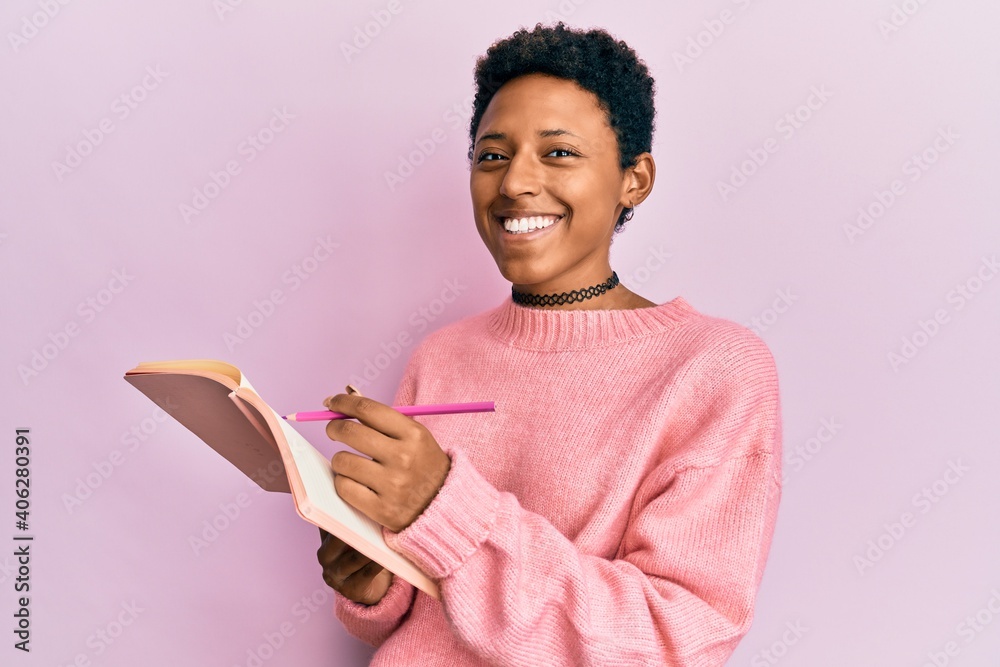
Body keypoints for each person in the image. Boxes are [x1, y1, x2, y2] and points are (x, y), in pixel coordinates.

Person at [316, 21, 783, 666]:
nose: (513, 184)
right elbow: (406, 614)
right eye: (491, 155)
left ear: (635, 179)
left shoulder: (714, 369)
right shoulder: (442, 355)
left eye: (558, 152)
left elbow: (676, 642)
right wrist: (370, 581)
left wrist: (442, 506)